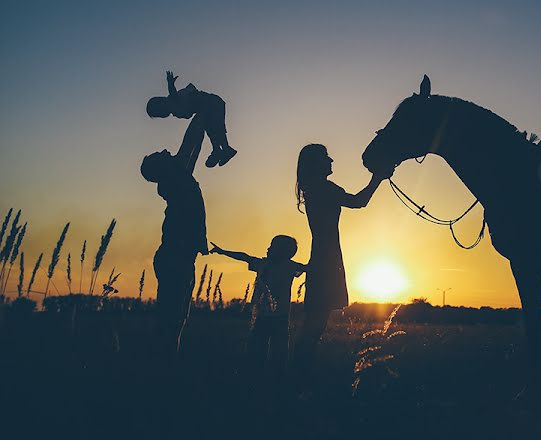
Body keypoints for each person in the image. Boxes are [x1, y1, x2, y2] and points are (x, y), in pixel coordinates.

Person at [292, 144, 392, 383]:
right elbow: (359, 202)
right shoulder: (324, 188)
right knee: (315, 325)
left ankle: (299, 372)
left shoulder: (314, 189)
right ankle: (298, 374)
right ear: (317, 164)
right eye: (327, 158)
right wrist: (377, 178)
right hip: (327, 257)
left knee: (315, 323)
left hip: (323, 254)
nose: (332, 160)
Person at [141, 114, 209, 355]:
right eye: (161, 155)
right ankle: (163, 367)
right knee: (172, 320)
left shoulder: (176, 177)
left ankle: (165, 364)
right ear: (161, 169)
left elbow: (193, 149)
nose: (164, 150)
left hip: (178, 257)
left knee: (177, 319)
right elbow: (188, 146)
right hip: (175, 257)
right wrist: (200, 116)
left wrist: (203, 122)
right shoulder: (174, 180)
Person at [209, 236, 306, 371]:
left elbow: (309, 268)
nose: (268, 248)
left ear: (282, 251)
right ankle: (257, 372)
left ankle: (276, 374)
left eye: (272, 246)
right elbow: (244, 257)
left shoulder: (290, 266)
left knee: (279, 351)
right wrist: (223, 251)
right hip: (262, 315)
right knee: (257, 348)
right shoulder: (263, 264)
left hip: (280, 317)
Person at [146, 71, 237, 168]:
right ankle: (220, 150)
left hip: (212, 103)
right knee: (212, 129)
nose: (163, 113)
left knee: (216, 128)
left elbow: (173, 95)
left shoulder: (172, 101)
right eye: (160, 114)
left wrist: (170, 84)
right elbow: (185, 111)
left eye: (160, 109)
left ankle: (223, 149)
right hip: (209, 107)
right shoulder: (176, 109)